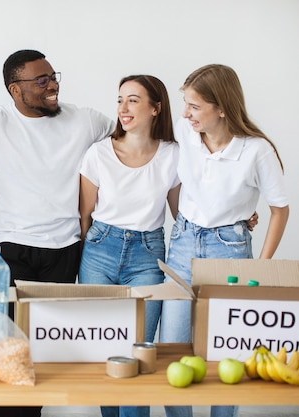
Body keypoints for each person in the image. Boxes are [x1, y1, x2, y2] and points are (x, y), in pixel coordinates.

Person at [0, 49, 115, 417]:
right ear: (16, 89)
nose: (53, 85)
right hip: (10, 250)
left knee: (42, 356)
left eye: (53, 76)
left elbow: (133, 144)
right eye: (41, 80)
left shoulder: (86, 120)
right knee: (7, 352)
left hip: (65, 249)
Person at [159, 64, 289, 417]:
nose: (185, 113)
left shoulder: (256, 150)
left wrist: (261, 268)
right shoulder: (186, 133)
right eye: (185, 103)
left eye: (195, 106)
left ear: (222, 108)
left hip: (229, 249)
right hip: (183, 241)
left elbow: (280, 209)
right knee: (172, 348)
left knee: (226, 350)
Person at [78, 74, 179, 417]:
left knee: (138, 354)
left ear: (156, 108)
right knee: (107, 351)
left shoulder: (173, 156)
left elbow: (183, 215)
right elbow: (84, 215)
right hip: (99, 250)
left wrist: (242, 216)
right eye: (120, 99)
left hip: (148, 255)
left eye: (133, 100)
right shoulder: (97, 153)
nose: (123, 108)